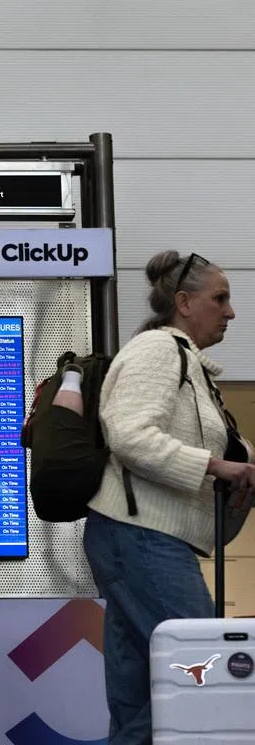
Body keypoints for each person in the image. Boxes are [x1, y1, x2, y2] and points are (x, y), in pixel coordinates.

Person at [84, 250, 255, 744]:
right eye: (220, 298)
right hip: (143, 538)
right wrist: (217, 465)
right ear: (183, 302)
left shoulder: (193, 368)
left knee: (142, 689)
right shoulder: (159, 350)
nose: (231, 311)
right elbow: (131, 435)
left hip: (140, 539)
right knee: (201, 676)